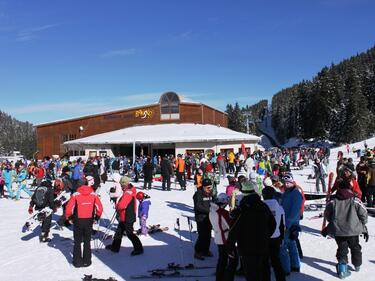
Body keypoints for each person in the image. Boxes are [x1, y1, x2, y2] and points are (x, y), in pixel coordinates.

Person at [227, 181, 276, 281]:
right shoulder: (264, 206)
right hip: (263, 245)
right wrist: (266, 236)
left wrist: (230, 246)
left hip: (247, 247)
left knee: (251, 274)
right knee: (264, 272)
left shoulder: (242, 210)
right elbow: (273, 224)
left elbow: (234, 230)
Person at [324, 180, 368, 279]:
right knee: (355, 247)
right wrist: (363, 224)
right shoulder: (355, 200)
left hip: (338, 231)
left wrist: (332, 222)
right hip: (353, 230)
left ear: (339, 188)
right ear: (350, 188)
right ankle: (357, 265)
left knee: (342, 249)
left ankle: (343, 270)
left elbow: (327, 214)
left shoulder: (333, 200)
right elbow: (363, 213)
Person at [65, 178, 103, 267]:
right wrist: (97, 217)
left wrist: (69, 217)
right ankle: (87, 261)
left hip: (78, 220)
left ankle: (77, 262)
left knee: (77, 241)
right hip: (89, 220)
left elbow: (69, 208)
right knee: (87, 241)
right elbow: (99, 208)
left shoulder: (75, 195)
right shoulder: (93, 194)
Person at [106, 176, 143, 255]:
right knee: (119, 232)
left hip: (127, 216)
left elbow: (122, 205)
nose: (121, 187)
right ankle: (115, 247)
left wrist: (117, 206)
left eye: (122, 185)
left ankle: (139, 248)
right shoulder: (130, 190)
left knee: (130, 233)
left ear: (125, 184)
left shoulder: (128, 193)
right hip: (125, 216)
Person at [209, 193, 237, 281]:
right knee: (233, 261)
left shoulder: (212, 210)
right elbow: (231, 225)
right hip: (225, 239)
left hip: (218, 237)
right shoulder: (222, 212)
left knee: (222, 260)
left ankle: (219, 278)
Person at [279, 174, 303, 275]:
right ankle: (294, 265)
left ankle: (287, 268)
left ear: (292, 182)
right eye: (285, 183)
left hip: (290, 223)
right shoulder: (286, 193)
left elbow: (294, 212)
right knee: (291, 244)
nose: (286, 184)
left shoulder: (296, 194)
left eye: (288, 182)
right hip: (285, 222)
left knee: (284, 246)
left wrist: (286, 224)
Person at [262, 185, 286, 281]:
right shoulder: (279, 208)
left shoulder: (261, 207)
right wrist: (281, 238)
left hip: (264, 237)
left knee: (265, 262)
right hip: (276, 236)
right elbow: (282, 224)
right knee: (276, 261)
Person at [193, 178, 213, 260]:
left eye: (210, 187)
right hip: (201, 218)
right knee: (202, 235)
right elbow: (198, 206)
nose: (209, 189)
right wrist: (209, 211)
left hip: (209, 218)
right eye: (208, 187)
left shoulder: (210, 193)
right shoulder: (198, 194)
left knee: (208, 235)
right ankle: (198, 251)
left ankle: (205, 250)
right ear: (203, 187)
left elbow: (213, 202)